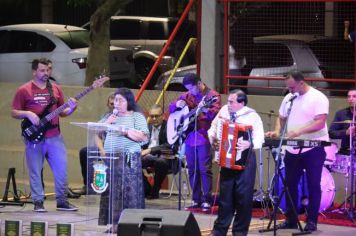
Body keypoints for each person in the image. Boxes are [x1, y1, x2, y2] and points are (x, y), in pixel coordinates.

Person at [11, 58, 80, 212]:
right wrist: (28, 113)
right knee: (35, 170)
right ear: (34, 71)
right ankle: (38, 202)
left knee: (61, 170)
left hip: (55, 136)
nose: (46, 73)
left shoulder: (55, 89)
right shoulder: (24, 90)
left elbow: (62, 112)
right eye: (42, 70)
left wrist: (73, 108)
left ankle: (62, 202)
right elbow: (14, 112)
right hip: (34, 137)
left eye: (48, 70)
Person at [265, 70, 329, 232]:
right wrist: (278, 132)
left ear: (302, 82)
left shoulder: (318, 97)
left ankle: (312, 221)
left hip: (314, 147)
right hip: (292, 148)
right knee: (290, 184)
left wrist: (298, 132)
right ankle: (291, 219)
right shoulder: (289, 98)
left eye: (292, 87)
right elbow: (282, 117)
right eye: (288, 87)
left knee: (313, 184)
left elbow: (320, 122)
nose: (290, 90)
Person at [208, 89, 264, 236]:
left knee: (243, 199)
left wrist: (249, 144)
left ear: (242, 103)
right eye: (228, 101)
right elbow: (213, 127)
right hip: (226, 161)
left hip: (245, 162)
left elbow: (260, 138)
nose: (228, 104)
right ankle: (219, 231)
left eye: (231, 102)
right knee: (225, 198)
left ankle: (239, 232)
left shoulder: (252, 116)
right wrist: (213, 138)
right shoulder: (224, 111)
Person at [95, 87, 149, 233]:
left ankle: (130, 225)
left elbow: (143, 138)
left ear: (128, 101)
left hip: (128, 160)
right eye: (115, 100)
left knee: (129, 193)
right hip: (111, 160)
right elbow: (96, 131)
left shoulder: (136, 116)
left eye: (120, 100)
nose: (116, 103)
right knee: (112, 194)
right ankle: (114, 224)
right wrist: (107, 123)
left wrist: (124, 131)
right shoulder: (110, 116)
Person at [168, 73, 221, 212]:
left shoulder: (212, 95)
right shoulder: (187, 95)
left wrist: (202, 111)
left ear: (199, 83)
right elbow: (171, 109)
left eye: (192, 88)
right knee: (192, 169)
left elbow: (214, 114)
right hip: (190, 137)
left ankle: (207, 199)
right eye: (188, 89)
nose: (190, 91)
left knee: (204, 169)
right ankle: (195, 199)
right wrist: (176, 105)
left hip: (204, 136)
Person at [77, 92, 115, 195]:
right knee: (85, 152)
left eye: (116, 103)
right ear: (108, 105)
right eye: (111, 104)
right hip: (105, 147)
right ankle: (88, 186)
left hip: (118, 149)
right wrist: (102, 149)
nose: (114, 106)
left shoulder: (124, 116)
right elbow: (97, 130)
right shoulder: (107, 116)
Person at [141, 104, 177, 199]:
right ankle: (147, 188)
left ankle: (155, 189)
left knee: (160, 162)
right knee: (132, 162)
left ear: (163, 116)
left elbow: (169, 145)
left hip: (166, 157)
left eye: (156, 116)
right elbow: (141, 143)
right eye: (151, 116)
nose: (153, 118)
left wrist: (150, 150)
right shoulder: (147, 127)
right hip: (149, 157)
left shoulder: (169, 127)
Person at [329, 87, 356, 154]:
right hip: (346, 151)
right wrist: (345, 132)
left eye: (354, 96)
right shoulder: (341, 114)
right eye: (349, 96)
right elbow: (331, 133)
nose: (351, 99)